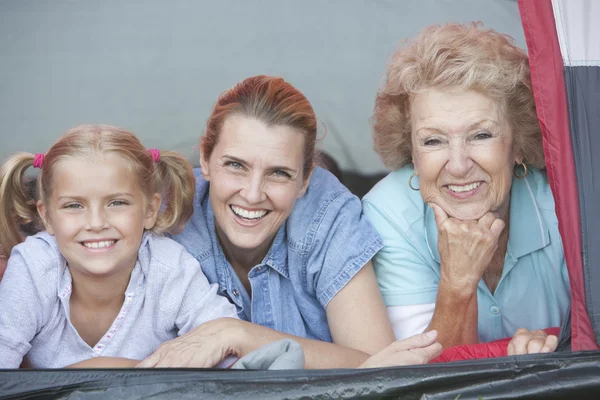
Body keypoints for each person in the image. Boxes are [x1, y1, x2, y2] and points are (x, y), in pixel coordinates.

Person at [137, 75, 443, 369]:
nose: (253, 194)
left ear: (305, 179)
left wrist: (237, 335)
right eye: (235, 165)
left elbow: (379, 365)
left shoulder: (328, 216)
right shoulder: (167, 215)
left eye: (279, 173)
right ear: (205, 159)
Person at [363, 23, 570, 355]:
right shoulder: (388, 214)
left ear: (517, 142)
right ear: (411, 154)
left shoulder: (565, 208)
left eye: (481, 135)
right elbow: (421, 377)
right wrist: (457, 283)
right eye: (433, 140)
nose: (458, 165)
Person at [0, 124, 238, 368]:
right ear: (47, 216)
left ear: (150, 210)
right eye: (74, 206)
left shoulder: (169, 268)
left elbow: (228, 346)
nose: (96, 223)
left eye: (116, 203)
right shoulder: (33, 268)